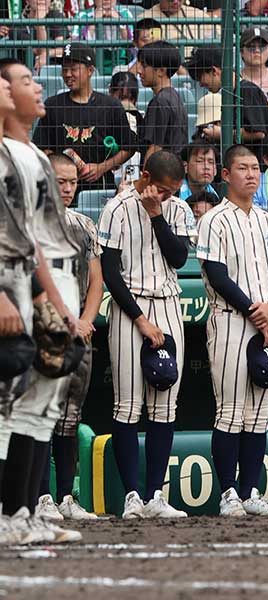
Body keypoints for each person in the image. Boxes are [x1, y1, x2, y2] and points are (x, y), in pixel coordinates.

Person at [0, 58, 81, 545]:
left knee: (41, 407)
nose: (34, 88)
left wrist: (55, 300)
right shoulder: (7, 155)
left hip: (41, 275)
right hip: (13, 278)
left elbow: (32, 239)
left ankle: (24, 511)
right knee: (10, 404)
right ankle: (10, 513)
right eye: (23, 82)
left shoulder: (31, 153)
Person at [196, 145, 268, 518]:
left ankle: (250, 491)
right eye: (242, 168)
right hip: (231, 321)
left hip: (267, 321)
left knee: (258, 413)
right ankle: (229, 493)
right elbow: (217, 275)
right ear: (226, 174)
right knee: (231, 412)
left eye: (255, 168)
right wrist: (257, 313)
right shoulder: (214, 220)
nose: (251, 174)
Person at [97, 151, 194, 520]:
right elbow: (110, 272)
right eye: (164, 189)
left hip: (168, 302)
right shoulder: (117, 208)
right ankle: (132, 496)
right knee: (128, 405)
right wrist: (140, 319)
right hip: (130, 306)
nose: (168, 196)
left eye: (174, 191)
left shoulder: (176, 209)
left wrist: (157, 214)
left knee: (165, 403)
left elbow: (179, 258)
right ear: (147, 177)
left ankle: (155, 494)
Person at [36, 153, 103, 521]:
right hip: (42, 331)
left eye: (73, 182)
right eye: (60, 181)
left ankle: (65, 497)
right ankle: (40, 497)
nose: (67, 188)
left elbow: (96, 281)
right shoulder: (29, 223)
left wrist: (86, 320)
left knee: (69, 418)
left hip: (78, 334)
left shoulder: (84, 225)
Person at [33, 43, 136, 192]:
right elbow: (42, 147)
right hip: (62, 189)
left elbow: (128, 148)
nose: (68, 74)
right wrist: (61, 167)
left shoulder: (110, 106)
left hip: (100, 187)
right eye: (64, 69)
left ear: (90, 70)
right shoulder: (53, 105)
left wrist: (101, 167)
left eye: (74, 69)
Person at [185, 47, 268, 164]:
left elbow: (259, 133)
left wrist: (222, 133)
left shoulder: (246, 90)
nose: (201, 84)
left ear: (214, 71)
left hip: (258, 164)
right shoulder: (231, 94)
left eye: (200, 77)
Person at [137, 41, 188, 161]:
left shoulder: (160, 102)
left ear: (161, 71)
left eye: (144, 66)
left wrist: (145, 173)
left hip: (161, 168)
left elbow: (155, 148)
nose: (139, 70)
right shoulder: (174, 97)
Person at [140, 0, 219, 60]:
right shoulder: (145, 19)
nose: (175, 1)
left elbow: (219, 37)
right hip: (171, 69)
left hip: (201, 67)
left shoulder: (197, 13)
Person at [72, 0, 134, 67]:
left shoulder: (125, 13)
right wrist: (94, 21)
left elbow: (131, 44)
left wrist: (119, 21)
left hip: (121, 63)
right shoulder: (82, 15)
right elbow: (76, 46)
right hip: (90, 64)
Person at [240, 27, 268, 95]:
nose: (257, 50)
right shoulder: (234, 81)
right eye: (251, 47)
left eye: (262, 46)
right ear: (242, 52)